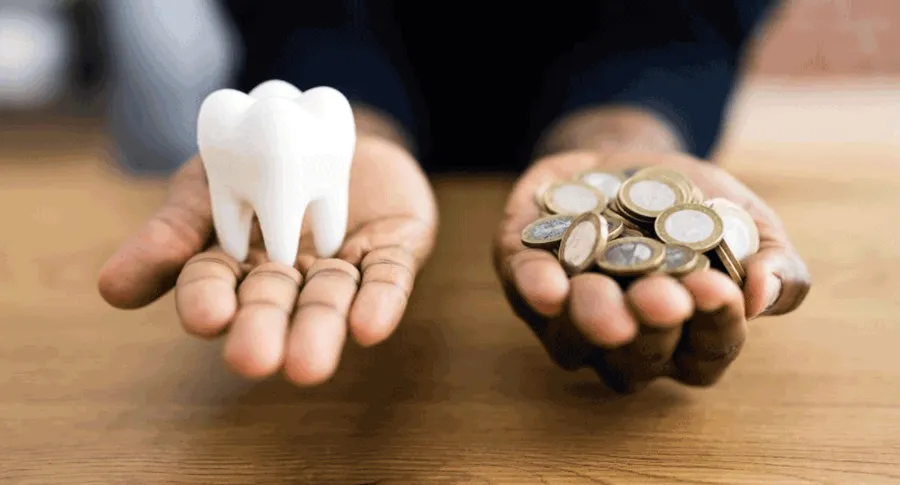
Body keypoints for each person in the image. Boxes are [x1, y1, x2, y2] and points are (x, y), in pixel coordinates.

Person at [97, 0, 810, 394]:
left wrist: (631, 116)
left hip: (617, 83)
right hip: (350, 94)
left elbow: (692, 12)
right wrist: (341, 115)